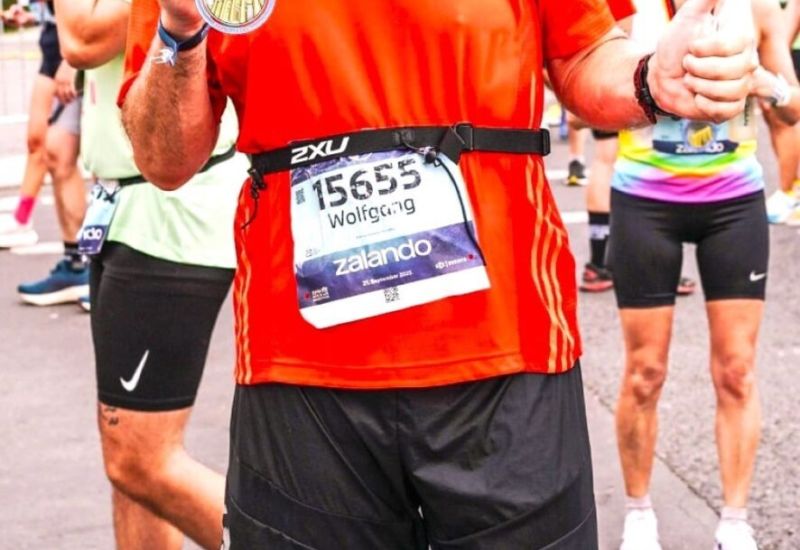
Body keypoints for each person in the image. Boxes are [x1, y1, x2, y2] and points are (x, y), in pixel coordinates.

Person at [121, 0, 755, 547]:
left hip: (506, 352)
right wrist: (180, 33)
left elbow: (584, 54)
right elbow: (163, 158)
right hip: (301, 372)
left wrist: (650, 80)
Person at [610, 0, 800, 548]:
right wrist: (648, 83)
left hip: (732, 202)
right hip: (645, 200)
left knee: (736, 371)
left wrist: (763, 81)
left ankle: (735, 523)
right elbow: (583, 110)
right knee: (645, 372)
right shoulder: (628, 8)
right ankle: (639, 515)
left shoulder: (757, 9)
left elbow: (792, 112)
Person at [54, 0, 244, 547]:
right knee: (129, 469)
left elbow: (81, 37)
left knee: (140, 461)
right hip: (123, 206)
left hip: (175, 210)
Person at [0, 0, 83, 264]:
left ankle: (80, 258)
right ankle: (72, 257)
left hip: (70, 48)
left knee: (57, 152)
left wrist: (73, 59)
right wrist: (33, 14)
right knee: (41, 144)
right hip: (55, 45)